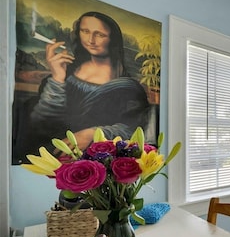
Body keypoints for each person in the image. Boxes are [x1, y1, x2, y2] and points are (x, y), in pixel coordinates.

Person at [26, 11, 150, 154]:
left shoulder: (128, 87)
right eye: (85, 31)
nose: (90, 40)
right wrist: (57, 79)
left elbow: (134, 129)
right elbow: (42, 123)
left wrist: (93, 134)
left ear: (112, 39)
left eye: (100, 34)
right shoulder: (65, 72)